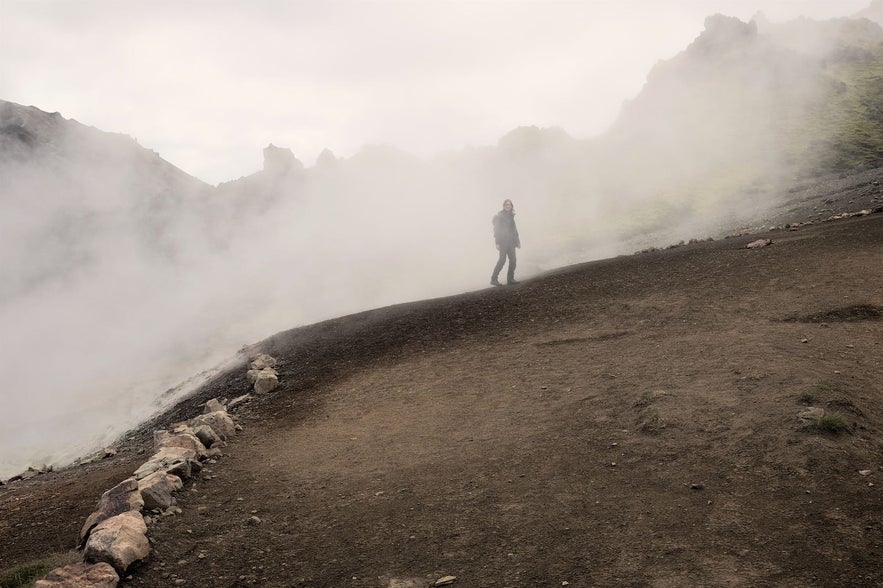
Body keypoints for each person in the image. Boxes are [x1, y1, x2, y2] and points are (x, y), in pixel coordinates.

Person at [490, 198, 521, 286]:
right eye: (506, 205)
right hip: (503, 241)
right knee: (502, 260)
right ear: (504, 206)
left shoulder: (511, 216)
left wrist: (517, 241)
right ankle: (493, 279)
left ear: (511, 206)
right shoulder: (500, 216)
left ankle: (510, 279)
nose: (508, 206)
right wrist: (497, 242)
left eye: (509, 205)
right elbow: (496, 230)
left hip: (511, 241)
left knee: (513, 260)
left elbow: (514, 230)